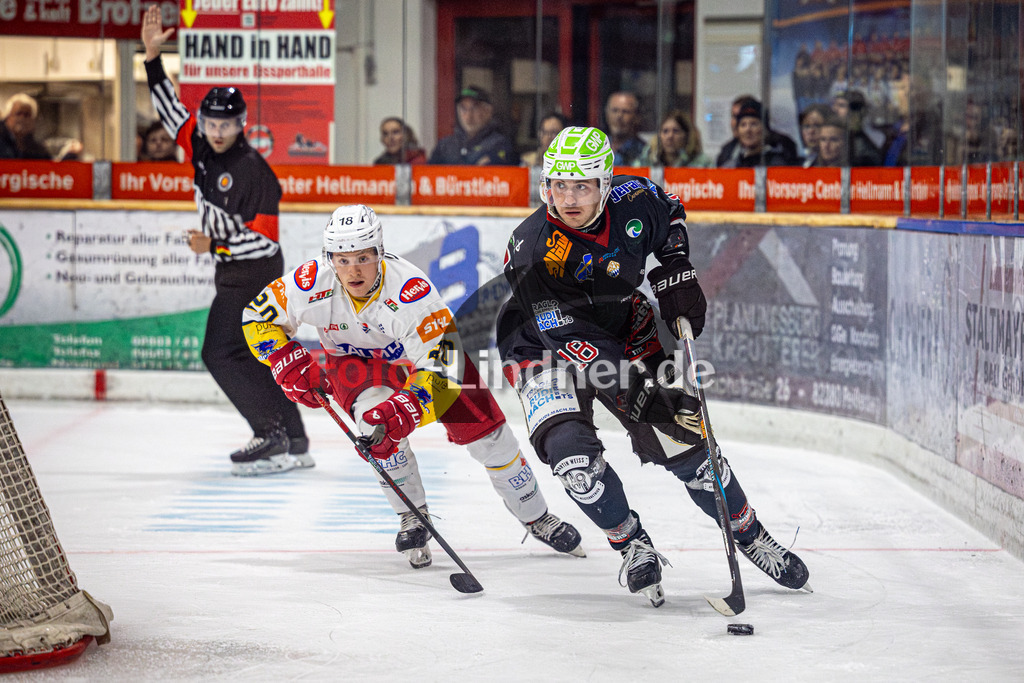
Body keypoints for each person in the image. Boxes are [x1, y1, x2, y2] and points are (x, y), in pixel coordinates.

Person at [496, 126, 810, 607]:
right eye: (560, 185)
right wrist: (640, 389)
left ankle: (750, 534)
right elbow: (573, 340)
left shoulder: (637, 196)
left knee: (687, 444)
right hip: (542, 346)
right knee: (572, 459)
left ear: (605, 184)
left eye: (582, 186)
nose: (569, 198)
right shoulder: (530, 248)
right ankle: (630, 542)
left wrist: (675, 268)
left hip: (625, 324)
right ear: (545, 186)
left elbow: (672, 213)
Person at [242, 204, 584, 568]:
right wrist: (281, 357)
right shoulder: (310, 281)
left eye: (363, 257)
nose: (353, 269)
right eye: (341, 259)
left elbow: (443, 368)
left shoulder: (412, 293)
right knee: (375, 428)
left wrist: (407, 408)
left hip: (435, 367)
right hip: (358, 366)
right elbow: (256, 316)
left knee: (492, 440)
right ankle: (411, 515)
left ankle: (536, 516)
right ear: (329, 258)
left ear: (380, 252)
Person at [141, 5, 310, 476]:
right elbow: (170, 110)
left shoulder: (254, 172)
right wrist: (153, 59)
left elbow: (265, 242)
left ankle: (270, 433)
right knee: (250, 353)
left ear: (242, 124)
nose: (216, 133)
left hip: (253, 273)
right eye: (210, 124)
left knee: (220, 351)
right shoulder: (199, 142)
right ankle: (293, 438)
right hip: (234, 271)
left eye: (225, 125)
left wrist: (213, 246)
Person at [429, 86, 518, 165]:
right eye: (463, 109)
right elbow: (428, 176)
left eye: (474, 109)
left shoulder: (500, 145)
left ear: (488, 112)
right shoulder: (445, 146)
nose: (468, 116)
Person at [715, 95, 799, 167]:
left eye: (754, 124)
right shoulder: (730, 164)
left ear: (765, 130)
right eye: (743, 125)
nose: (748, 130)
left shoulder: (778, 163)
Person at [636, 110, 712, 168]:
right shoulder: (647, 161)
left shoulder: (703, 164)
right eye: (665, 131)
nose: (670, 136)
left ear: (686, 135)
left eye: (676, 131)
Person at [0, 93, 52, 160]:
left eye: (27, 115)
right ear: (7, 117)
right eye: (18, 114)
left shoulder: (38, 149)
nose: (22, 119)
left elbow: (49, 167)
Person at [603, 92, 645, 166]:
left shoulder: (644, 152)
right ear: (607, 114)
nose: (619, 116)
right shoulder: (597, 148)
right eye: (615, 110)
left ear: (636, 117)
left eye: (625, 112)